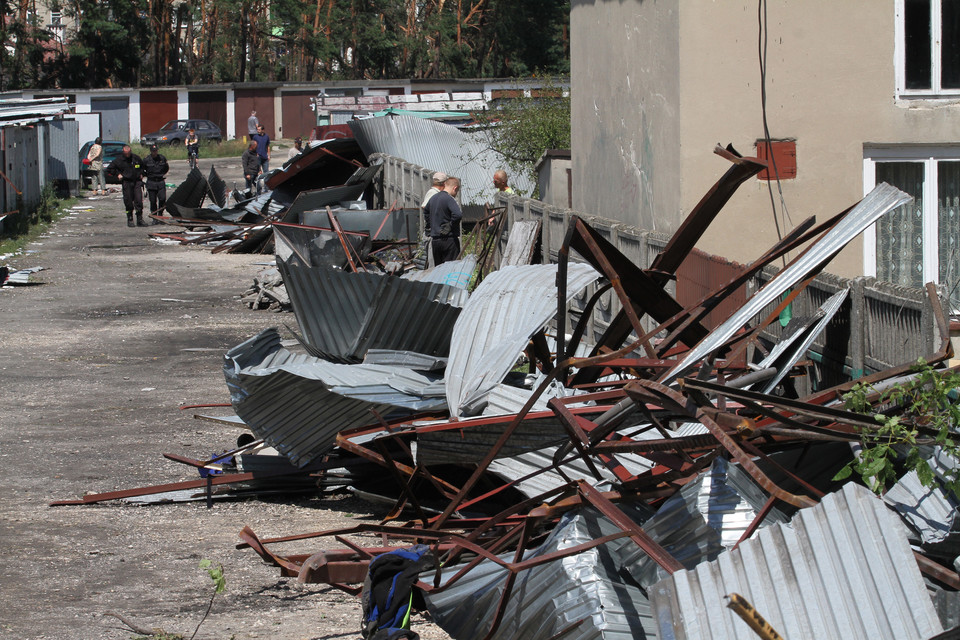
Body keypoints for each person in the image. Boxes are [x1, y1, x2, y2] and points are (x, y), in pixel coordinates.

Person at [425, 176, 463, 266]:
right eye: (456, 192)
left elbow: (426, 212)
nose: (456, 194)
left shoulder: (433, 198)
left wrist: (431, 225)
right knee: (451, 270)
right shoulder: (449, 199)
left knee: (439, 269)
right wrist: (450, 225)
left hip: (435, 241)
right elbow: (458, 214)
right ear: (455, 188)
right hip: (449, 241)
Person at [105, 145, 146, 227]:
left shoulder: (136, 158)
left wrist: (142, 174)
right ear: (123, 152)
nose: (127, 155)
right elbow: (109, 169)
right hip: (127, 182)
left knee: (138, 200)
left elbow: (143, 167)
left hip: (137, 182)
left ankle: (139, 219)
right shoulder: (119, 160)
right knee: (128, 202)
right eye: (126, 153)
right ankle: (130, 218)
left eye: (129, 153)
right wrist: (118, 174)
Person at [142, 144, 169, 223]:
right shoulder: (146, 160)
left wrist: (161, 174)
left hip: (160, 181)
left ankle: (160, 215)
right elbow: (142, 169)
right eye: (153, 151)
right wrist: (148, 176)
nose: (155, 152)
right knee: (153, 201)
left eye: (156, 151)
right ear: (151, 151)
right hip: (151, 182)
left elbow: (166, 168)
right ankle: (154, 217)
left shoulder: (162, 158)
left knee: (162, 199)